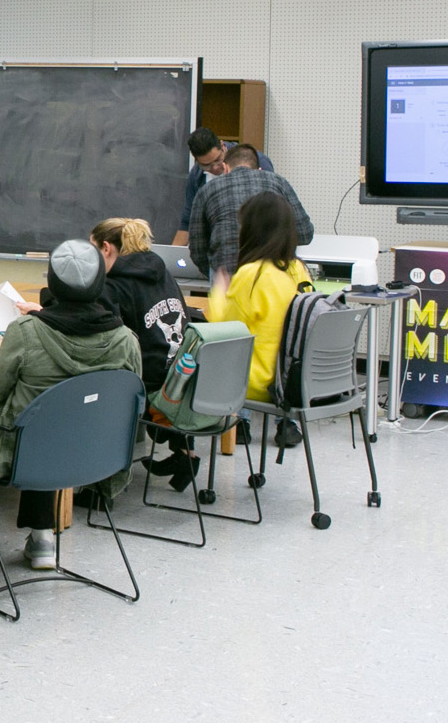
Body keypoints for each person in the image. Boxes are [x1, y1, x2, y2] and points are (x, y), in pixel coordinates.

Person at [0, 240, 142, 572]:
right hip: (92, 452)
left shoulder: (26, 333)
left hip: (27, 452)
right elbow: (131, 402)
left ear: (53, 284)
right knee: (52, 427)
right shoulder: (126, 340)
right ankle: (43, 538)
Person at [89, 218, 198, 489]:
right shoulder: (161, 271)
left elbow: (104, 336)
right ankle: (185, 455)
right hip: (180, 374)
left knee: (92, 379)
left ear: (105, 248)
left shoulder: (112, 285)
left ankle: (102, 486)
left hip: (146, 381)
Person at [207, 191, 314, 447]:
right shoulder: (299, 270)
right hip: (293, 381)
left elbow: (223, 333)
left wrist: (219, 293)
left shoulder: (252, 275)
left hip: (257, 383)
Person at [188, 143, 314, 279]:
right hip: (273, 273)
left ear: (225, 168)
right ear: (259, 170)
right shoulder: (279, 183)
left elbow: (197, 248)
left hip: (225, 274)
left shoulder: (206, 190)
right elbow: (304, 234)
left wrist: (214, 272)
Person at [179, 127, 274, 236]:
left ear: (222, 146)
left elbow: (270, 208)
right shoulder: (196, 174)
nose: (215, 168)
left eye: (218, 160)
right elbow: (187, 223)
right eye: (206, 165)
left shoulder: (255, 161)